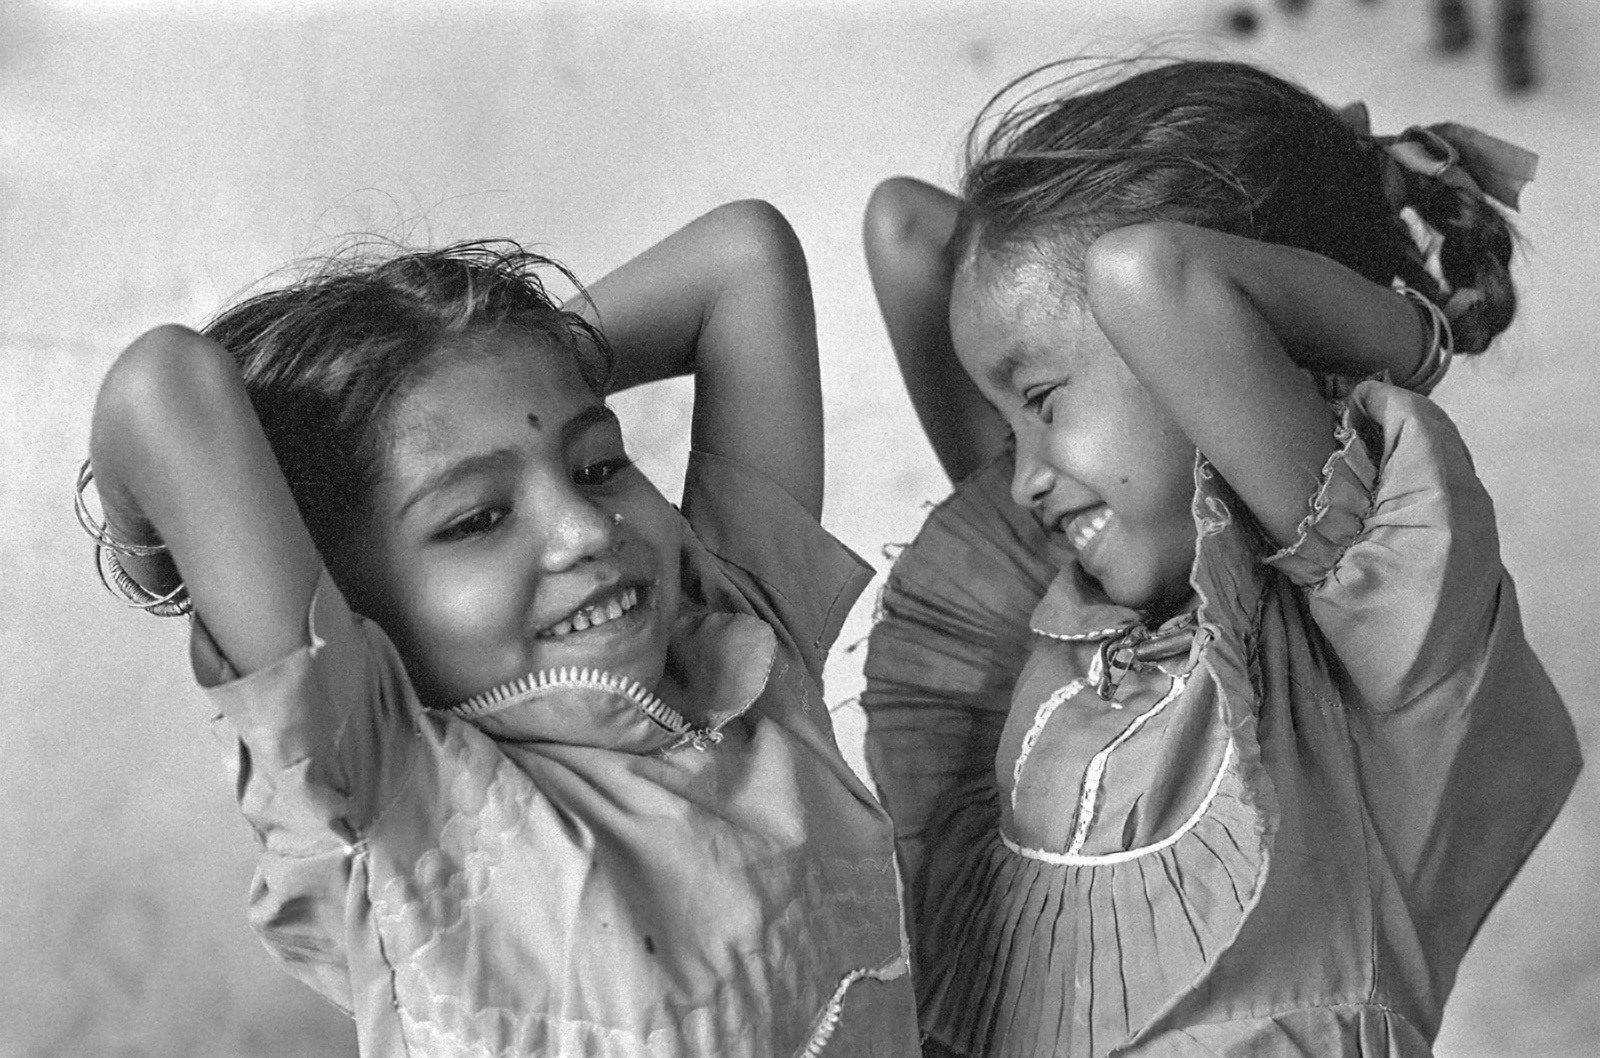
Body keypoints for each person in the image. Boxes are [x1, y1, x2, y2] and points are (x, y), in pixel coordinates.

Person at [859, 59, 1579, 1056]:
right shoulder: (1078, 608)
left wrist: (1411, 339)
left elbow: (1146, 274)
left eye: (1043, 401)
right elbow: (903, 228)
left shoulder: (1357, 612)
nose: (1017, 476)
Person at [79, 201, 917, 1057]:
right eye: (477, 518)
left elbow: (744, 256)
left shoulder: (741, 648)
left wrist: (495, 360)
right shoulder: (389, 800)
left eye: (597, 466)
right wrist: (168, 558)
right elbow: (164, 386)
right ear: (347, 610)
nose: (587, 531)